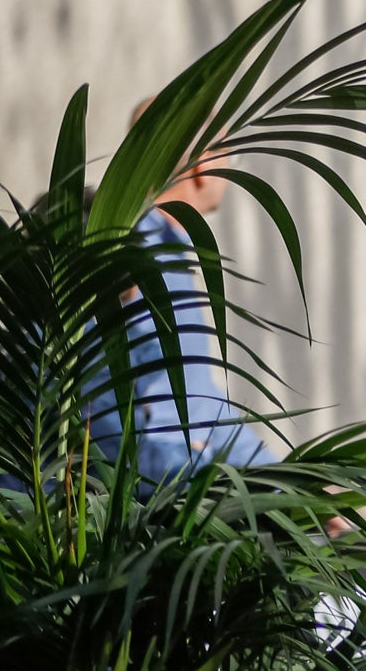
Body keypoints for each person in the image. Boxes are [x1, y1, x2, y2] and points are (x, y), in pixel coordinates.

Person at [88, 111, 272, 484]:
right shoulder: (128, 253)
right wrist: (205, 474)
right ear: (204, 164)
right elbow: (97, 409)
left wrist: (287, 480)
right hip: (105, 502)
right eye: (230, 156)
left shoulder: (164, 252)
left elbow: (201, 403)